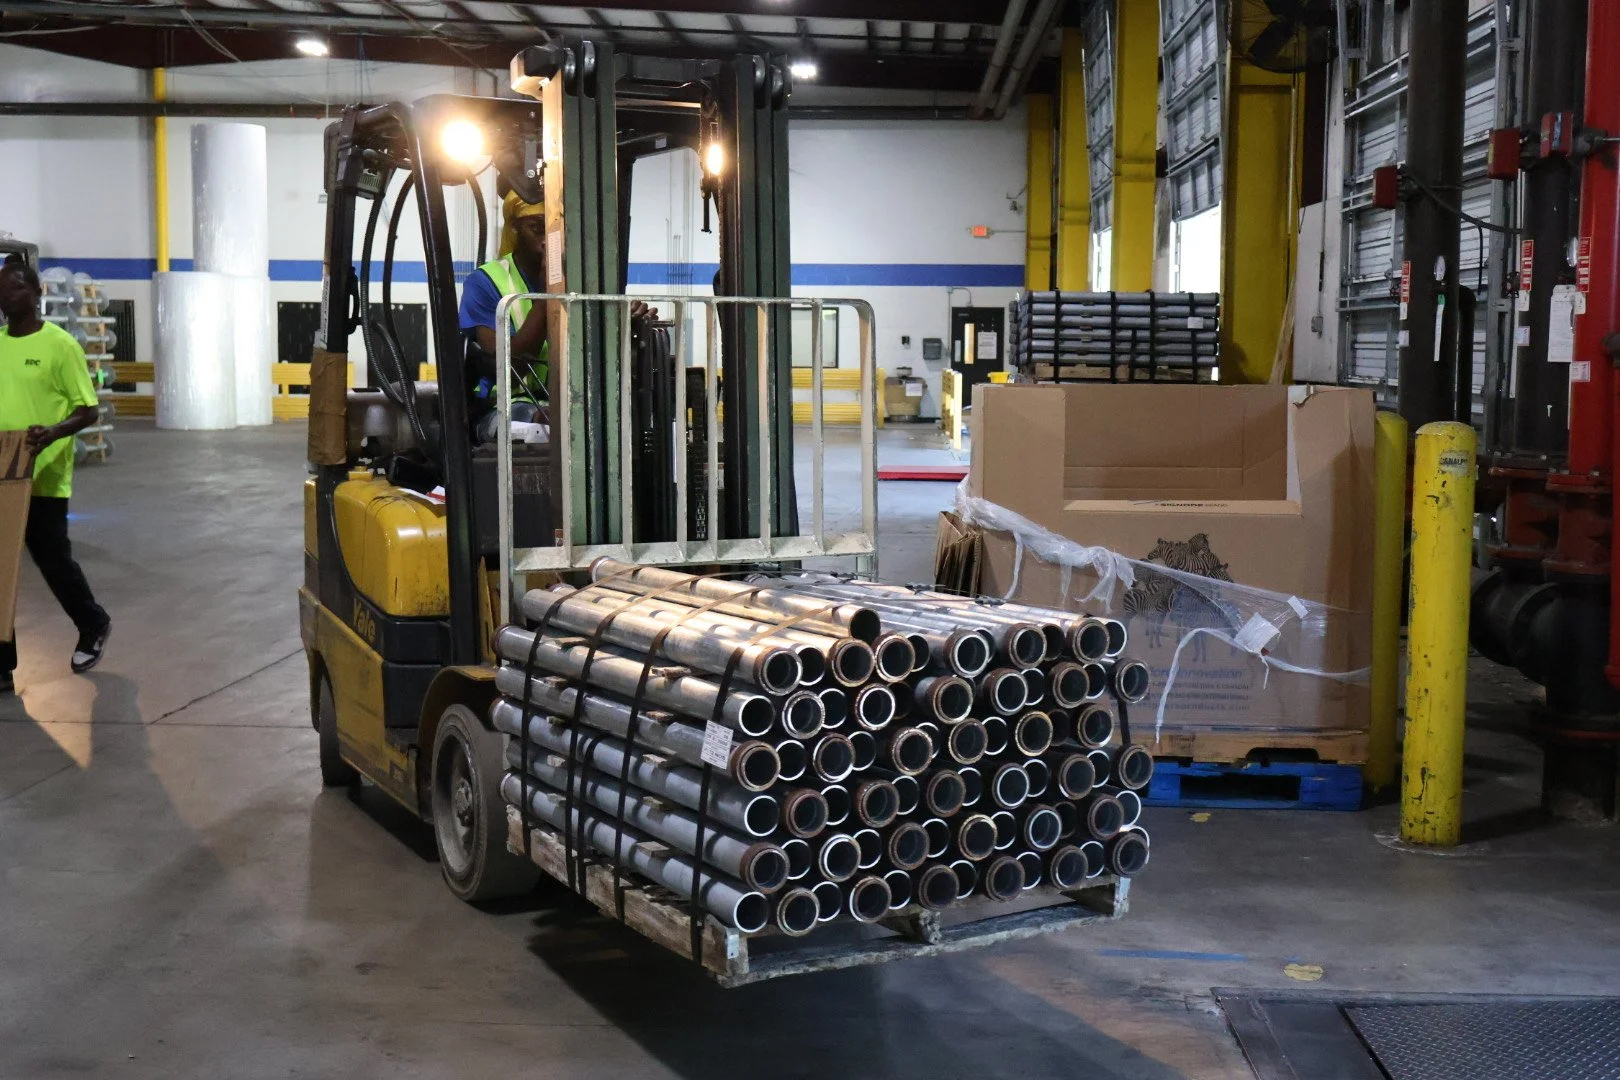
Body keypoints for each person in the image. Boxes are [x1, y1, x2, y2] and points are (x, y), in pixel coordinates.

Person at [0, 257, 110, 694]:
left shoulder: (60, 345)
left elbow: (88, 410)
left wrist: (51, 435)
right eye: (0, 289)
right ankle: (3, 665)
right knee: (1, 570)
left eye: (14, 287)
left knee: (52, 560)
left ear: (36, 292)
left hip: (43, 475)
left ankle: (92, 621)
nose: (6, 296)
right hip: (3, 472)